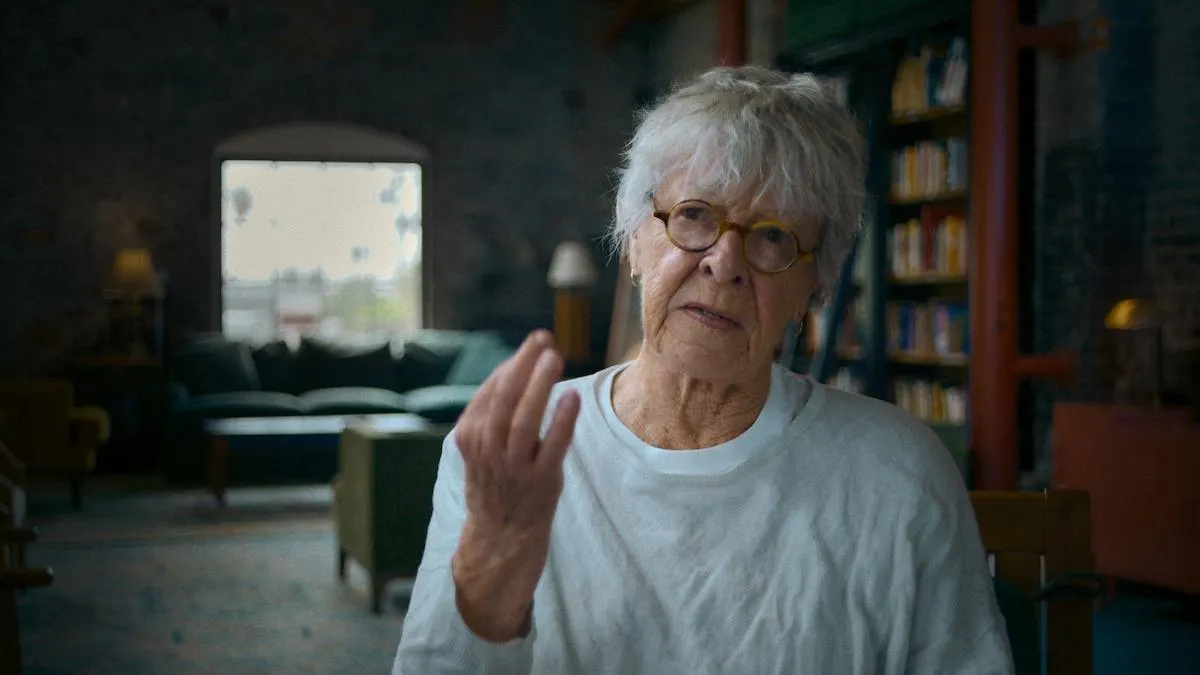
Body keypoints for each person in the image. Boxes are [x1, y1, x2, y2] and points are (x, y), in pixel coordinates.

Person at [394, 65, 1014, 674]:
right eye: (694, 215)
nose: (725, 262)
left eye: (773, 236)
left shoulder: (898, 474)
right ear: (634, 239)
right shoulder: (513, 456)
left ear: (813, 287)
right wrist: (489, 594)